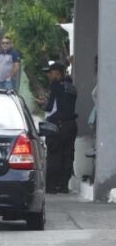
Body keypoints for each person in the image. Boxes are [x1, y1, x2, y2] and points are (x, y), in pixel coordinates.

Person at [39, 61, 78, 193]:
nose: (49, 76)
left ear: (57, 73)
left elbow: (50, 108)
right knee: (68, 156)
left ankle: (52, 186)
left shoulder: (55, 86)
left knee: (54, 155)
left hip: (57, 126)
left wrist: (43, 104)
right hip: (71, 125)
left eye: (50, 73)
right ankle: (63, 186)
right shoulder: (72, 88)